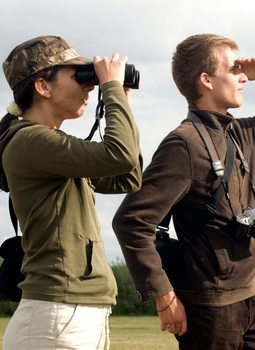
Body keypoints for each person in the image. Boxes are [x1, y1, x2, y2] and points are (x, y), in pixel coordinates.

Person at [113, 33, 255, 349]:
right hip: (208, 309)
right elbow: (131, 222)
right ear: (206, 80)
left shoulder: (241, 133)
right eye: (234, 69)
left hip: (246, 296)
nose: (243, 77)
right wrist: (164, 297)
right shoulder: (183, 144)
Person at [0, 36, 142, 350]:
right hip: (57, 311)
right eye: (79, 77)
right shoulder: (30, 141)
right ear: (43, 87)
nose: (89, 86)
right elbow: (120, 155)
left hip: (69, 310)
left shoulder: (48, 148)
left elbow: (126, 177)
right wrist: (113, 91)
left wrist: (121, 104)